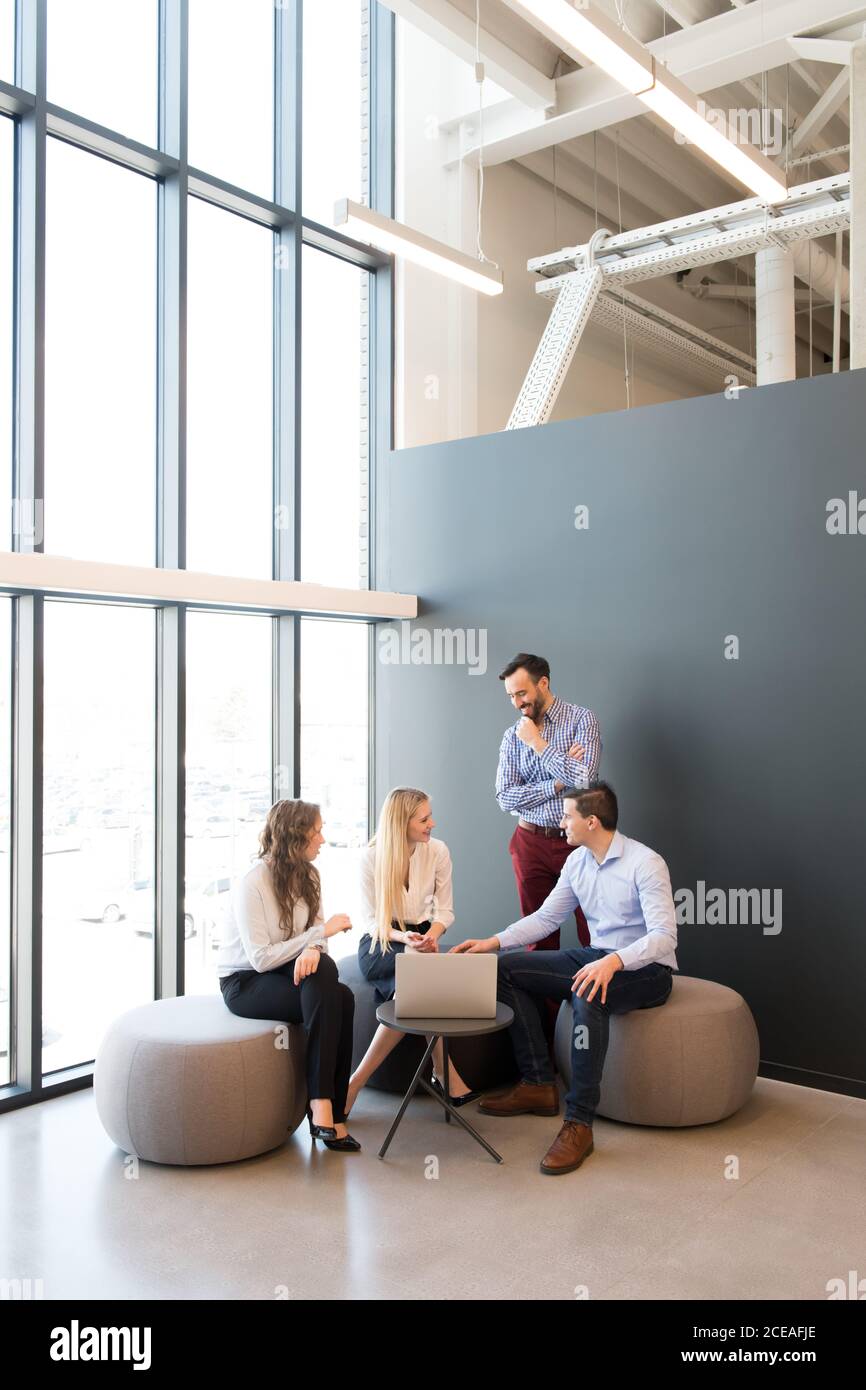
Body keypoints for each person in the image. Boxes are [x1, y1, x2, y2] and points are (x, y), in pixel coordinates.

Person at [452, 782, 678, 1176]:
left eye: (567, 815)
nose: (560, 822)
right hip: (595, 957)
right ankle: (539, 1083)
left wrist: (615, 962)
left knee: (589, 991)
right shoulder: (577, 862)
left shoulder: (646, 862)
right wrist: (494, 941)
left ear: (591, 821)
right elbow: (545, 919)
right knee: (506, 970)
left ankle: (579, 1124)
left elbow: (664, 937)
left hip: (645, 969)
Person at [217, 799, 360, 1153]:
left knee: (336, 988)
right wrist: (316, 938)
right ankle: (325, 1108)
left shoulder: (310, 875)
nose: (323, 840)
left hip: (288, 967)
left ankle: (326, 1108)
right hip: (246, 981)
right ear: (297, 836)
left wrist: (315, 946)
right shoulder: (253, 882)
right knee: (335, 998)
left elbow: (316, 937)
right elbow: (262, 958)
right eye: (317, 831)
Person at [347, 787, 481, 1114]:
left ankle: (354, 1083)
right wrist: (405, 939)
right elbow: (370, 922)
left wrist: (432, 935)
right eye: (424, 819)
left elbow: (445, 912)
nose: (432, 824)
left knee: (414, 988)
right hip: (383, 939)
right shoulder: (370, 857)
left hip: (422, 936)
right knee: (420, 980)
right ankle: (441, 1071)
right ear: (401, 822)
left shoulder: (438, 851)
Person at [495, 652, 601, 953]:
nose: (517, 703)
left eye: (522, 693)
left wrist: (538, 744)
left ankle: (593, 999)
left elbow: (583, 778)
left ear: (543, 683)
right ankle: (541, 1002)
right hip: (530, 843)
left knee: (593, 929)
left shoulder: (582, 719)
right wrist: (557, 782)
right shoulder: (511, 737)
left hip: (580, 841)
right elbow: (505, 796)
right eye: (511, 696)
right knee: (537, 938)